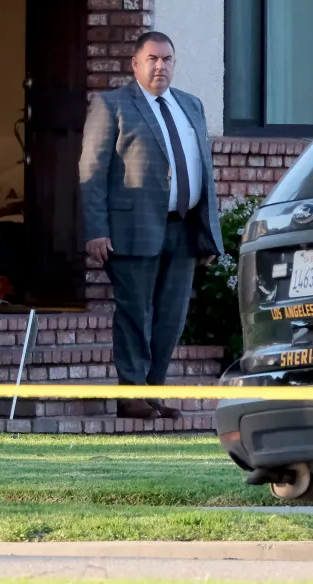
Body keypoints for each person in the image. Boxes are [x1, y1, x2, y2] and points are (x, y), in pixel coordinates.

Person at [79, 31, 223, 420]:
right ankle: (131, 393)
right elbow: (91, 172)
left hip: (183, 228)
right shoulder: (111, 106)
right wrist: (95, 229)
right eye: (153, 59)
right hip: (132, 229)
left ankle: (154, 391)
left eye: (167, 59)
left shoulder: (190, 105)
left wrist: (209, 232)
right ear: (136, 64)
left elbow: (204, 171)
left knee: (172, 316)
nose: (160, 66)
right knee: (134, 313)